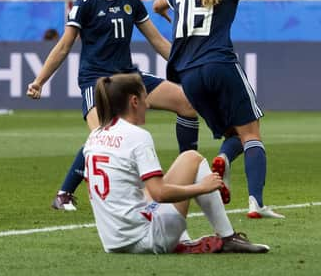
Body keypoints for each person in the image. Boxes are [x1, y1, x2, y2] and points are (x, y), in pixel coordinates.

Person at [27, 0, 200, 211]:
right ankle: (64, 193)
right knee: (101, 137)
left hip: (128, 78)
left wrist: (186, 66)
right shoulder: (85, 3)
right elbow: (64, 46)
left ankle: (189, 168)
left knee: (188, 104)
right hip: (97, 82)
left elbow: (156, 40)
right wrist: (40, 81)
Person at [153, 0, 286, 219]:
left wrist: (169, 15)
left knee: (232, 134)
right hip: (220, 64)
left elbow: (156, 4)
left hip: (188, 75)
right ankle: (256, 203)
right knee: (251, 134)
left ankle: (222, 160)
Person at [84, 73, 270, 254]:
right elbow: (160, 193)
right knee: (193, 159)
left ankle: (190, 239)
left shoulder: (95, 136)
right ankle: (228, 237)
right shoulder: (137, 136)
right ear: (134, 101)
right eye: (144, 98)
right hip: (148, 238)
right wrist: (202, 187)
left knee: (184, 160)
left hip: (112, 241)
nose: (148, 104)